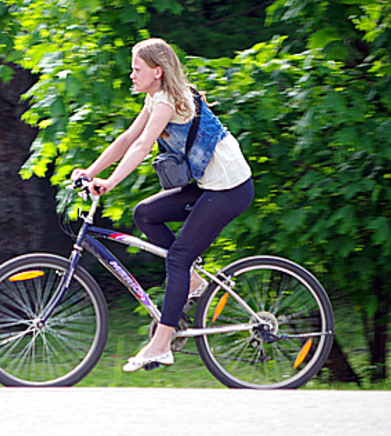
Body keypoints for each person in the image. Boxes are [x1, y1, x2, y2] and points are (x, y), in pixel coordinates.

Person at [71, 38, 254, 372]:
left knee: (178, 260)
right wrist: (91, 171)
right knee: (145, 214)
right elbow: (127, 138)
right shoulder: (155, 97)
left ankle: (161, 345)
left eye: (136, 69)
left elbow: (142, 145)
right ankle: (195, 282)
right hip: (209, 185)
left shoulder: (169, 100)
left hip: (230, 189)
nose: (131, 75)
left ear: (157, 71)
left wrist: (110, 183)